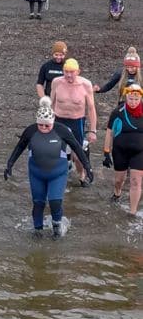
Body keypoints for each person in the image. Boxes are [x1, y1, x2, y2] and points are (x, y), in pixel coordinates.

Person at [5, 96, 91, 238]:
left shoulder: (62, 130)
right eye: (41, 125)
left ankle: (57, 228)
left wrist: (88, 167)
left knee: (55, 202)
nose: (44, 128)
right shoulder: (31, 131)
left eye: (47, 125)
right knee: (38, 203)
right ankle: (37, 231)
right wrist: (9, 164)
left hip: (57, 173)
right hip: (36, 173)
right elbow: (19, 147)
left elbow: (77, 147)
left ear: (53, 122)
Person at [50, 57, 97, 185]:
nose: (69, 75)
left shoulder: (85, 84)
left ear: (78, 71)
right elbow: (51, 104)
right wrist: (47, 122)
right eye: (66, 71)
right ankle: (59, 178)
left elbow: (91, 109)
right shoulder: (56, 82)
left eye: (72, 72)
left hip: (77, 121)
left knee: (78, 155)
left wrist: (93, 131)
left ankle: (81, 175)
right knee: (57, 152)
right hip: (59, 120)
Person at [103, 82, 143, 215]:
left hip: (140, 152)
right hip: (120, 151)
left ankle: (132, 212)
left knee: (136, 181)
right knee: (119, 180)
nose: (133, 102)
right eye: (130, 99)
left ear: (140, 99)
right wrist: (106, 152)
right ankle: (117, 192)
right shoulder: (118, 112)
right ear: (126, 97)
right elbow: (109, 132)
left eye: (136, 99)